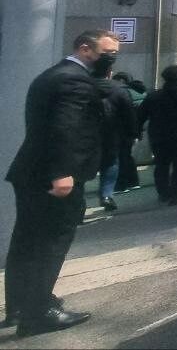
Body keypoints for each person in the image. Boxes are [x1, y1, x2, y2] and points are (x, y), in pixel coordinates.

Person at [4, 30, 118, 337]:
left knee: (26, 240)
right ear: (85, 49)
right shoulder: (74, 80)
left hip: (31, 171)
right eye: (107, 52)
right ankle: (39, 312)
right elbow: (66, 127)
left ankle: (19, 304)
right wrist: (63, 172)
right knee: (50, 242)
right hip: (54, 176)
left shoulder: (56, 75)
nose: (112, 57)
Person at [140, 65, 177, 206]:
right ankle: (175, 193)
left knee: (161, 165)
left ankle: (163, 193)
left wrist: (136, 131)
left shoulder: (153, 96)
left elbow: (141, 115)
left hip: (159, 137)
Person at [94, 63, 136, 213]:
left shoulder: (82, 86)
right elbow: (129, 113)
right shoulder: (120, 90)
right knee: (111, 163)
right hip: (112, 134)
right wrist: (133, 133)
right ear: (109, 73)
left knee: (82, 167)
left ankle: (78, 202)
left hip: (86, 135)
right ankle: (106, 195)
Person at [111, 72, 146, 193]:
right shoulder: (139, 91)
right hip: (133, 129)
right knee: (127, 157)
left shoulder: (124, 93)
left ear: (121, 80)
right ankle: (133, 182)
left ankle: (121, 184)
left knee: (121, 158)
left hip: (122, 130)